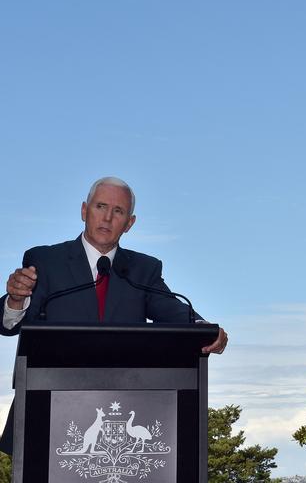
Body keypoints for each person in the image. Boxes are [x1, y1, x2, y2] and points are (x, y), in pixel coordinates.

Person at [0, 176, 228, 454]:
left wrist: (206, 330)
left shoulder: (143, 270)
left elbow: (173, 310)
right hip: (46, 407)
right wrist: (15, 298)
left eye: (118, 211)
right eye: (100, 206)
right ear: (84, 211)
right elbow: (11, 325)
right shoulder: (46, 261)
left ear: (129, 223)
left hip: (122, 406)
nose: (107, 217)